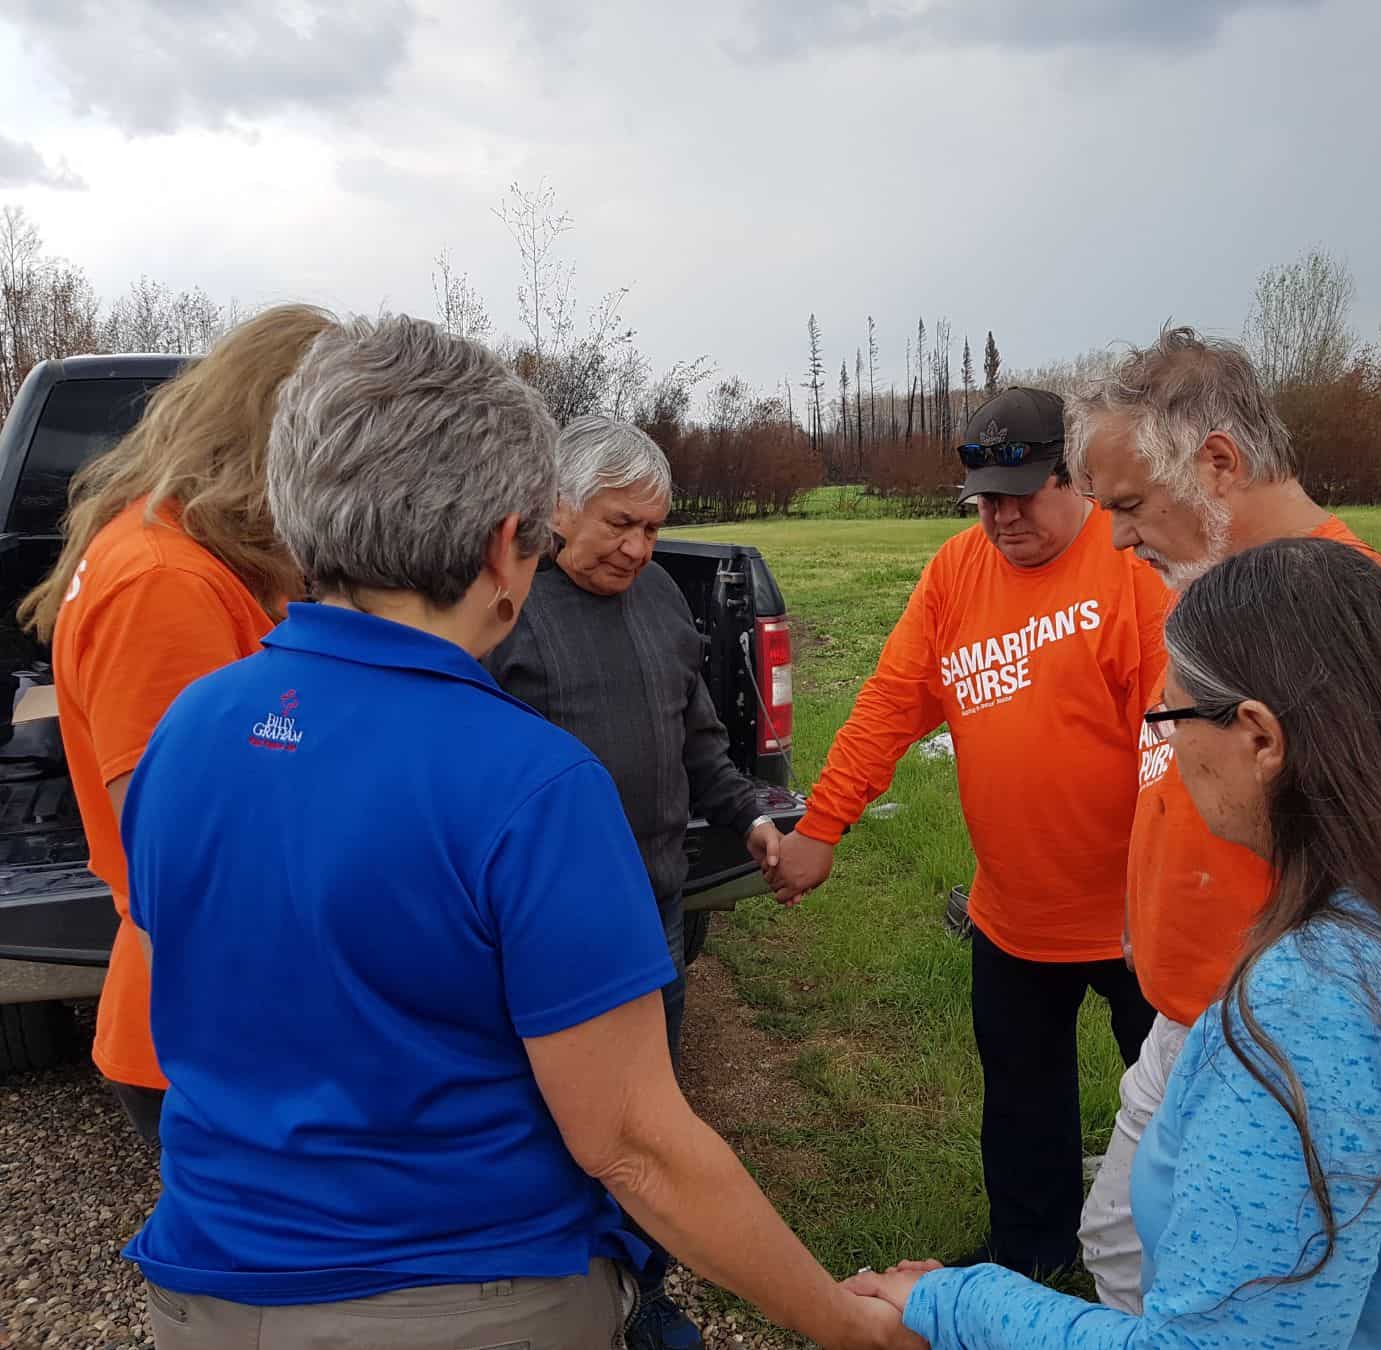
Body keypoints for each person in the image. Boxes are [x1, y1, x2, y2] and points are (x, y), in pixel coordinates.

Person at [118, 315, 914, 1350]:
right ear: (508, 543)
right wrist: (846, 1324)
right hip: (459, 1298)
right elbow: (635, 1146)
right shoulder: (529, 783)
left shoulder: (190, 725)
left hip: (205, 1289)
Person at [851, 537, 1381, 1350]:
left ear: (1260, 737)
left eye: (1167, 718)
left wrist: (951, 1302)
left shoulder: (1314, 1007)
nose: (1165, 751)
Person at [1065, 328, 1381, 1311]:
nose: (1114, 539)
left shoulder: (1360, 620)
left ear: (1219, 465)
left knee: (1221, 1299)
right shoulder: (1211, 595)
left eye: (1128, 506)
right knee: (1121, 1245)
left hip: (1280, 1049)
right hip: (1189, 1019)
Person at [771, 386, 1166, 1279]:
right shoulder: (956, 573)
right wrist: (822, 825)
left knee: (1175, 1101)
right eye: (985, 499)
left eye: (1022, 493)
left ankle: (1179, 1263)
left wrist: (1168, 894)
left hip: (1141, 918)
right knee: (1022, 1106)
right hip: (1015, 914)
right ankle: (1030, 1257)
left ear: (1077, 479)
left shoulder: (1131, 570)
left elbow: (1176, 744)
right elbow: (889, 704)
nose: (1002, 516)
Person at [486, 412, 784, 1350]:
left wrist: (747, 810)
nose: (638, 547)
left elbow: (696, 733)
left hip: (650, 905)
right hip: (546, 921)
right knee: (551, 1114)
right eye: (619, 523)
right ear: (556, 506)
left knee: (649, 1109)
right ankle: (540, 1288)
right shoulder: (503, 606)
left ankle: (640, 1287)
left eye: (652, 528)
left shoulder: (659, 598)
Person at [16, 303, 335, 1146]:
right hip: (216, 1037)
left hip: (217, 1024)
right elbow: (191, 863)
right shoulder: (165, 583)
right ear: (284, 436)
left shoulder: (191, 559)